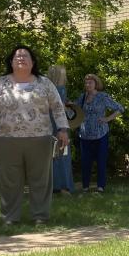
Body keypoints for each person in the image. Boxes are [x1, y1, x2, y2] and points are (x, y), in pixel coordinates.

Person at [0, 45, 69, 225]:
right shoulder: (0, 83)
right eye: (17, 56)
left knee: (40, 179)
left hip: (40, 139)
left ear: (33, 62)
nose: (21, 58)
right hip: (7, 139)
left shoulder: (44, 83)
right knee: (9, 180)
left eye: (25, 56)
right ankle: (10, 217)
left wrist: (63, 129)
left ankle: (40, 216)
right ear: (11, 62)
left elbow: (58, 108)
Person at [76, 73, 123, 193]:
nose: (88, 85)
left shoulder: (102, 97)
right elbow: (74, 112)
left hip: (100, 134)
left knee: (101, 161)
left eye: (90, 82)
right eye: (86, 83)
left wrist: (107, 119)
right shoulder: (82, 97)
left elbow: (120, 108)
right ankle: (85, 186)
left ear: (96, 84)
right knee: (85, 162)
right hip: (85, 135)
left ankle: (100, 187)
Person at [47, 65, 74, 195]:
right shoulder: (60, 89)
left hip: (48, 125)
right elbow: (60, 109)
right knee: (62, 154)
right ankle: (63, 187)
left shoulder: (46, 88)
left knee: (51, 156)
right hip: (59, 125)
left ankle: (52, 186)